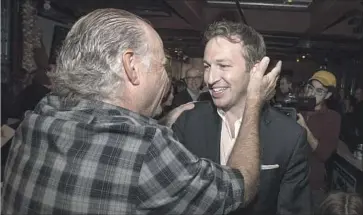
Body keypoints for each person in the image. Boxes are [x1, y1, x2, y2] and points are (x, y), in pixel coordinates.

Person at [1, 9, 280, 215]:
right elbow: (241, 186)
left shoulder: (40, 114)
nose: (167, 78)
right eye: (162, 65)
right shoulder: (146, 147)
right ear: (132, 67)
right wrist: (254, 101)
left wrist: (161, 122)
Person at [172, 21, 311, 215]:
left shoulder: (290, 136)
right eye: (207, 66)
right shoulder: (187, 121)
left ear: (255, 70)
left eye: (223, 65)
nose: (210, 78)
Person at [297, 70, 341, 209]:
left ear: (328, 95)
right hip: (289, 181)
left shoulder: (332, 118)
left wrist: (305, 128)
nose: (313, 93)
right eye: (311, 88)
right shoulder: (297, 109)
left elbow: (323, 154)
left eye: (319, 91)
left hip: (313, 185)